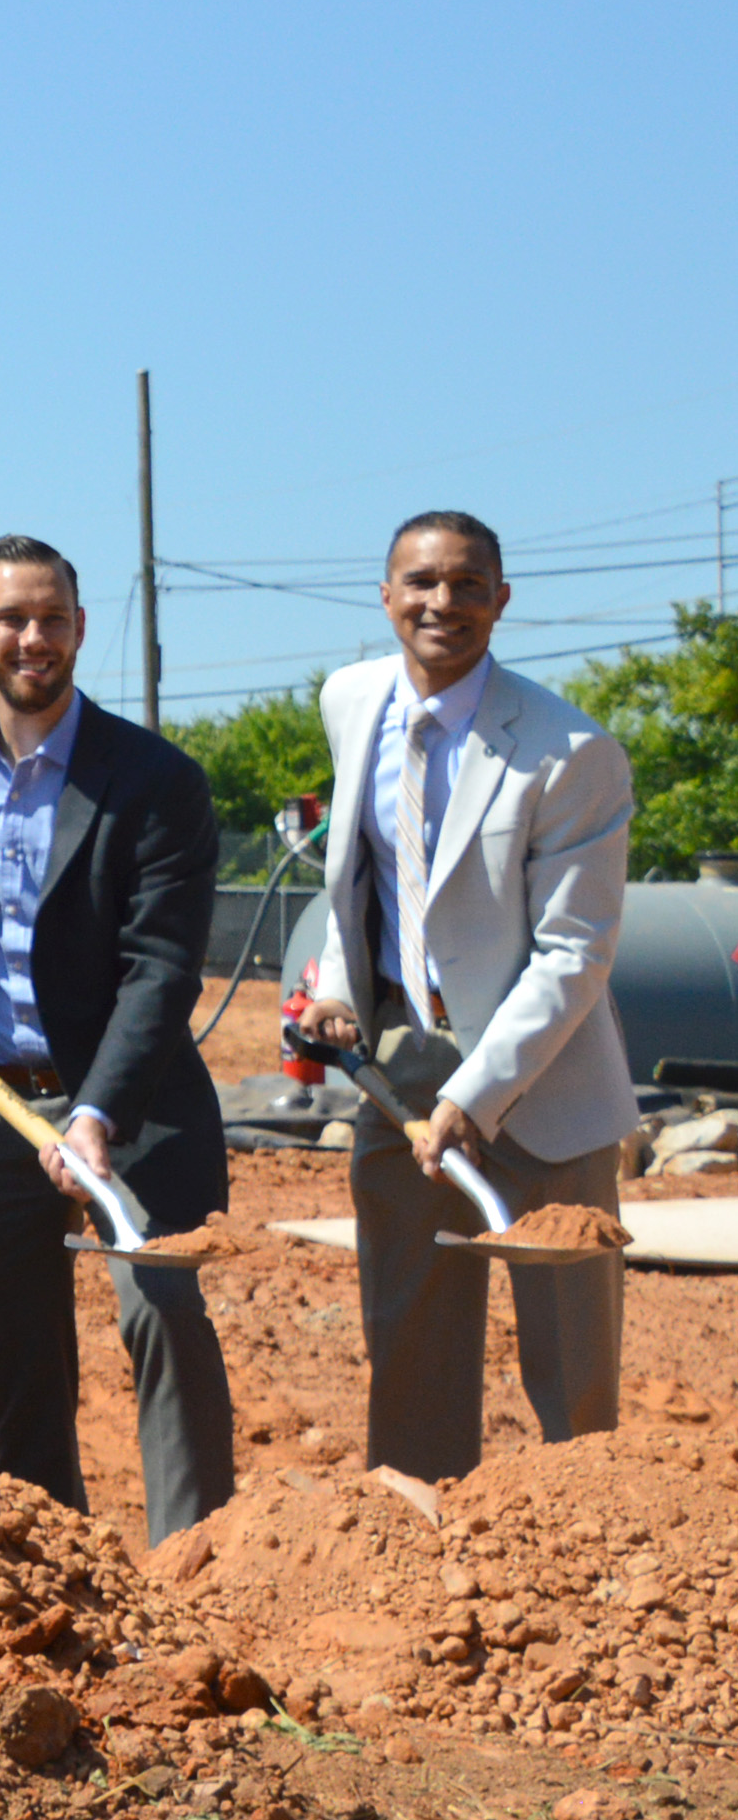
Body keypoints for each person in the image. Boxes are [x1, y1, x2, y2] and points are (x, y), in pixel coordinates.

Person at [0, 534, 233, 1545]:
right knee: (17, 1347)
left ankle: (194, 1559)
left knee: (158, 1316)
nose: (32, 637)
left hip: (132, 1103)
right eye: (11, 618)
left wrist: (96, 1115)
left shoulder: (155, 780)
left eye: (52, 617)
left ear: (79, 628)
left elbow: (159, 970)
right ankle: (52, 1553)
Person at [299, 512, 634, 1480]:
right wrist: (333, 983)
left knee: (570, 1367)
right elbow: (361, 877)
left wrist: (473, 1097)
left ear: (500, 599)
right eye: (420, 582)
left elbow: (573, 953)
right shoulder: (349, 700)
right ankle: (418, 1538)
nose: (441, 602)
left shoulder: (568, 751)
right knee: (408, 1339)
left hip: (544, 1083)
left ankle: (583, 1545)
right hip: (402, 1067)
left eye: (465, 584)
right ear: (385, 595)